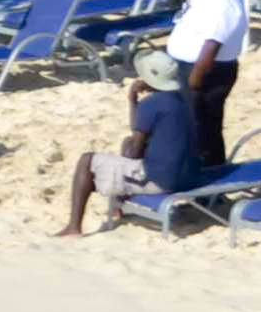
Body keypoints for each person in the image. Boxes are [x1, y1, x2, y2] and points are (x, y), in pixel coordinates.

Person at [61, 47, 206, 234]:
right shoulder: (181, 101)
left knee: (87, 161)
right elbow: (139, 137)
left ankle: (73, 226)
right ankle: (119, 206)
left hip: (163, 182)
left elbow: (136, 152)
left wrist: (132, 100)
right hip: (190, 177)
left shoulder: (152, 104)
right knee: (127, 143)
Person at [164, 0, 246, 163]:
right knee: (193, 129)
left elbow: (212, 46)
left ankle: (212, 194)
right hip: (193, 68)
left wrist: (194, 84)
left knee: (203, 132)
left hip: (206, 73)